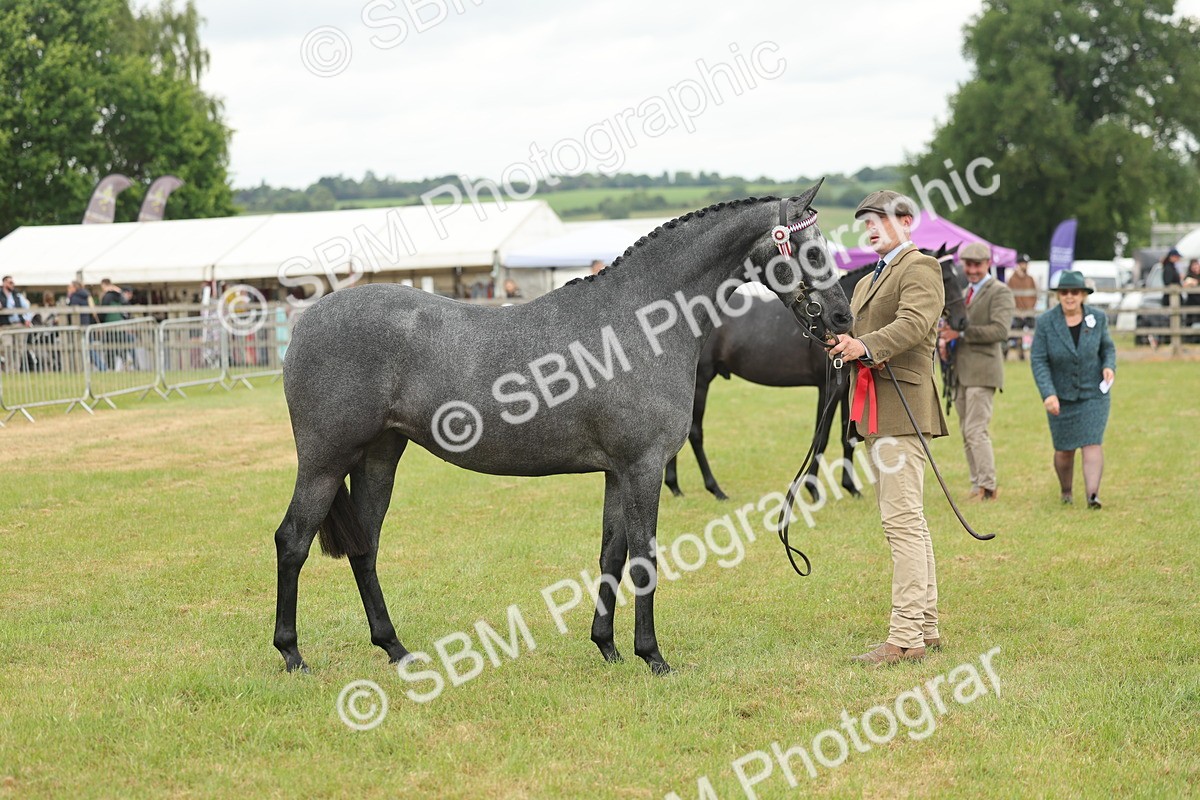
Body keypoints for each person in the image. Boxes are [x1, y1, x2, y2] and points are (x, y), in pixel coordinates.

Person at [829, 190, 948, 666]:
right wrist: (844, 344)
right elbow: (866, 336)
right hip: (878, 408)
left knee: (901, 522)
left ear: (906, 221)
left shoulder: (920, 267)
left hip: (904, 405)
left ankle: (904, 639)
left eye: (879, 220)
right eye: (866, 222)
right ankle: (927, 626)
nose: (871, 228)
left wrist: (865, 346)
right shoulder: (866, 282)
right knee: (909, 522)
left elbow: (915, 324)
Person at [1030, 270, 1116, 509]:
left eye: (1075, 292)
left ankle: (1093, 496)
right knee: (1064, 449)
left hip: (1094, 394)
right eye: (1064, 292)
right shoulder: (1046, 322)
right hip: (1060, 396)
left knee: (1092, 442)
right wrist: (1048, 393)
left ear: (1083, 295)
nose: (1069, 297)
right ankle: (1066, 491)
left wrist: (1109, 366)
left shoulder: (1097, 319)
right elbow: (1039, 360)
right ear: (1058, 295)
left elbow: (1107, 348)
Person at [939, 242, 1014, 502]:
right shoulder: (964, 292)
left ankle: (988, 486)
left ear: (988, 264)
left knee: (975, 430)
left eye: (976, 265)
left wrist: (960, 333)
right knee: (966, 430)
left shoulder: (1000, 292)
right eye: (967, 265)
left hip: (983, 372)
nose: (971, 270)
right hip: (961, 371)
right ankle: (977, 486)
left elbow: (999, 331)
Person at [1006, 253, 1038, 360]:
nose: (1025, 265)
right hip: (1017, 312)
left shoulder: (1030, 279)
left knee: (1034, 332)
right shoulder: (1012, 279)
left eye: (1026, 263)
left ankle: (1032, 354)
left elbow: (1035, 295)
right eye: (1023, 263)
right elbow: (1009, 296)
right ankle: (1016, 353)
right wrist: (1017, 310)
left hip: (1029, 312)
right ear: (1019, 264)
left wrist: (1030, 309)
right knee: (1014, 335)